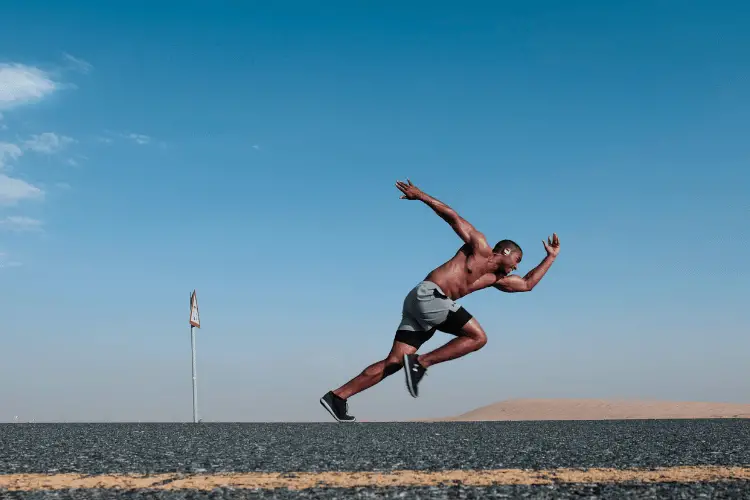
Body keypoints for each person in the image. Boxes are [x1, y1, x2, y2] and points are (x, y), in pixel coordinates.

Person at [320, 179, 560, 422]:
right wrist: (420, 195)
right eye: (517, 260)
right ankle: (421, 363)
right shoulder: (479, 245)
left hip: (423, 307)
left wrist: (550, 258)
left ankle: (338, 397)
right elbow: (452, 216)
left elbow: (527, 284)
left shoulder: (495, 278)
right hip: (429, 295)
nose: (517, 267)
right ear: (506, 252)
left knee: (394, 362)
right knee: (478, 337)